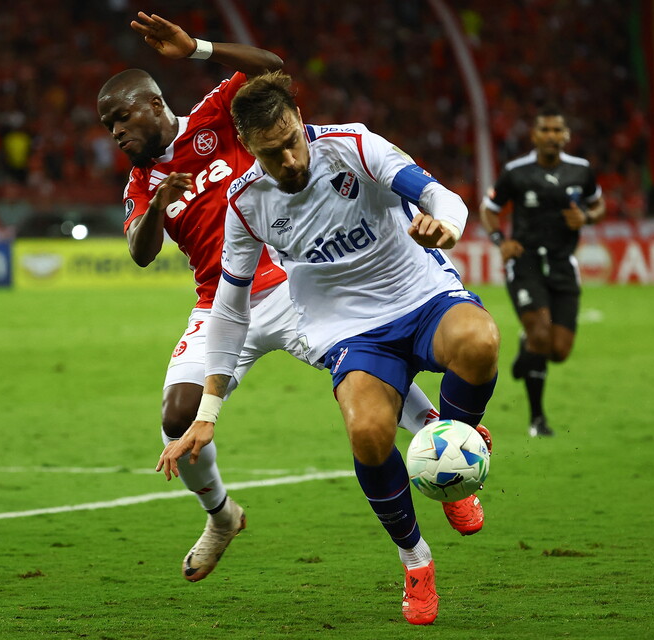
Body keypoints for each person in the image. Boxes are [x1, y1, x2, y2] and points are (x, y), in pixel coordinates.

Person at [100, 14, 483, 584]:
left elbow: (270, 68)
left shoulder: (214, 117)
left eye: (121, 118)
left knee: (371, 372)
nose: (115, 132)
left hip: (293, 286)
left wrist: (197, 48)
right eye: (107, 126)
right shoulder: (139, 184)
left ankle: (450, 466)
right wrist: (158, 204)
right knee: (177, 417)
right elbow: (140, 250)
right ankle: (221, 516)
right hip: (221, 304)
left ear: (154, 104)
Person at [156, 71, 500, 625]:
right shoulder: (246, 203)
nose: (289, 160)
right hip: (350, 330)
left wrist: (449, 226)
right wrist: (208, 413)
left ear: (300, 119)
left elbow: (439, 194)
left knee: (480, 339)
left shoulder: (353, 146)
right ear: (247, 146)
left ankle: (454, 448)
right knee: (367, 433)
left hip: (421, 295)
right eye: (271, 153)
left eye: (291, 141)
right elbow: (230, 309)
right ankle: (416, 561)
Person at [479, 106, 605, 437]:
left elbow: (598, 205)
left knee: (559, 350)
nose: (551, 136)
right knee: (540, 334)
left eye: (557, 130)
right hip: (526, 261)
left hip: (563, 263)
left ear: (566, 135)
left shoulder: (581, 170)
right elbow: (488, 209)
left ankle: (527, 351)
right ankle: (537, 420)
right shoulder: (516, 172)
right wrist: (500, 240)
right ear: (534, 136)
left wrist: (588, 217)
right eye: (545, 130)